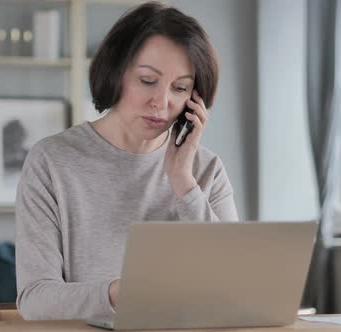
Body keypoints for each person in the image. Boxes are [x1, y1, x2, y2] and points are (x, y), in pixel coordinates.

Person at [15, 1, 238, 321]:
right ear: (116, 73)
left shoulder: (206, 170)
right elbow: (35, 299)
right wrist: (124, 292)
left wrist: (183, 183)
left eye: (179, 88)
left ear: (194, 100)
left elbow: (234, 286)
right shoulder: (51, 161)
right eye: (148, 80)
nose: (161, 103)